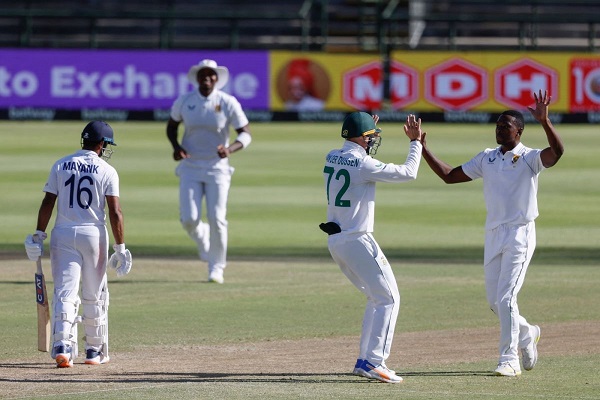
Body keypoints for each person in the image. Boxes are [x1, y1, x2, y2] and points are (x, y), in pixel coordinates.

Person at [420, 90, 564, 377]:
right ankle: (527, 333)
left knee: (507, 298)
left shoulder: (529, 158)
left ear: (519, 131)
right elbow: (449, 176)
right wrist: (422, 148)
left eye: (505, 126)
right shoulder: (487, 158)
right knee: (495, 302)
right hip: (494, 233)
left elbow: (556, 153)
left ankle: (509, 360)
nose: (498, 129)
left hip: (520, 234)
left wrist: (545, 121)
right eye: (497, 125)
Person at [320, 111, 423, 383]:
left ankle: (364, 360)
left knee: (376, 298)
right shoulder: (363, 164)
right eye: (370, 137)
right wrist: (415, 143)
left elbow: (354, 157)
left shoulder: (331, 155)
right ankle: (374, 362)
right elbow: (409, 173)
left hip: (337, 241)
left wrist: (364, 130)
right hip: (357, 239)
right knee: (389, 298)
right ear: (361, 138)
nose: (373, 141)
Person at [24, 121, 132, 368]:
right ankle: (93, 351)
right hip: (93, 234)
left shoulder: (61, 164)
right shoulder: (107, 170)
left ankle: (62, 346)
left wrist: (39, 234)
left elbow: (48, 201)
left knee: (65, 292)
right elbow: (115, 212)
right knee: (94, 294)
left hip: (62, 233)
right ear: (102, 144)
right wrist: (120, 248)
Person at [166, 59, 252, 284]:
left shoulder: (227, 102)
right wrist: (176, 147)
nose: (207, 78)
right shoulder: (185, 101)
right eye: (202, 74)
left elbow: (245, 133)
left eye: (211, 74)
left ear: (216, 78)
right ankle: (203, 238)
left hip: (218, 169)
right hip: (190, 167)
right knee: (189, 219)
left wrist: (230, 149)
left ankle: (216, 267)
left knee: (217, 218)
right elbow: (171, 126)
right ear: (197, 78)